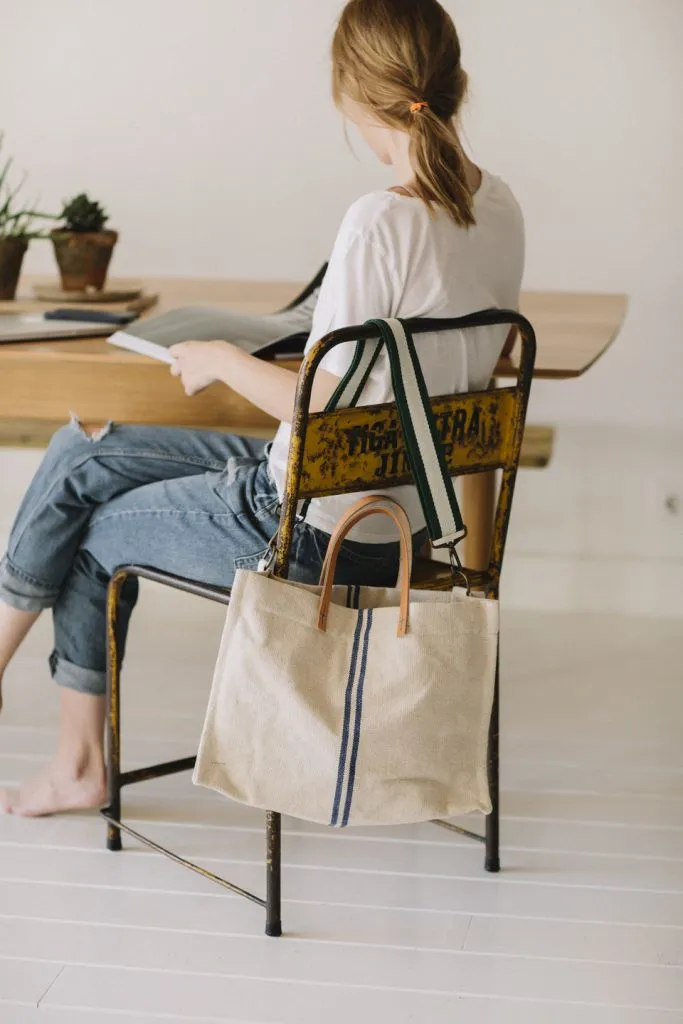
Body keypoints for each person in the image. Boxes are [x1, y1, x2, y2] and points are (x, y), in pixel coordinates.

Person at [0, 0, 524, 816]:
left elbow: (318, 409)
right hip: (402, 518)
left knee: (90, 533)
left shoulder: (378, 218)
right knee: (87, 446)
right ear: (452, 80)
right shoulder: (499, 209)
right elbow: (453, 375)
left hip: (314, 523)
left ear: (347, 91)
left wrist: (221, 359)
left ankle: (77, 765)